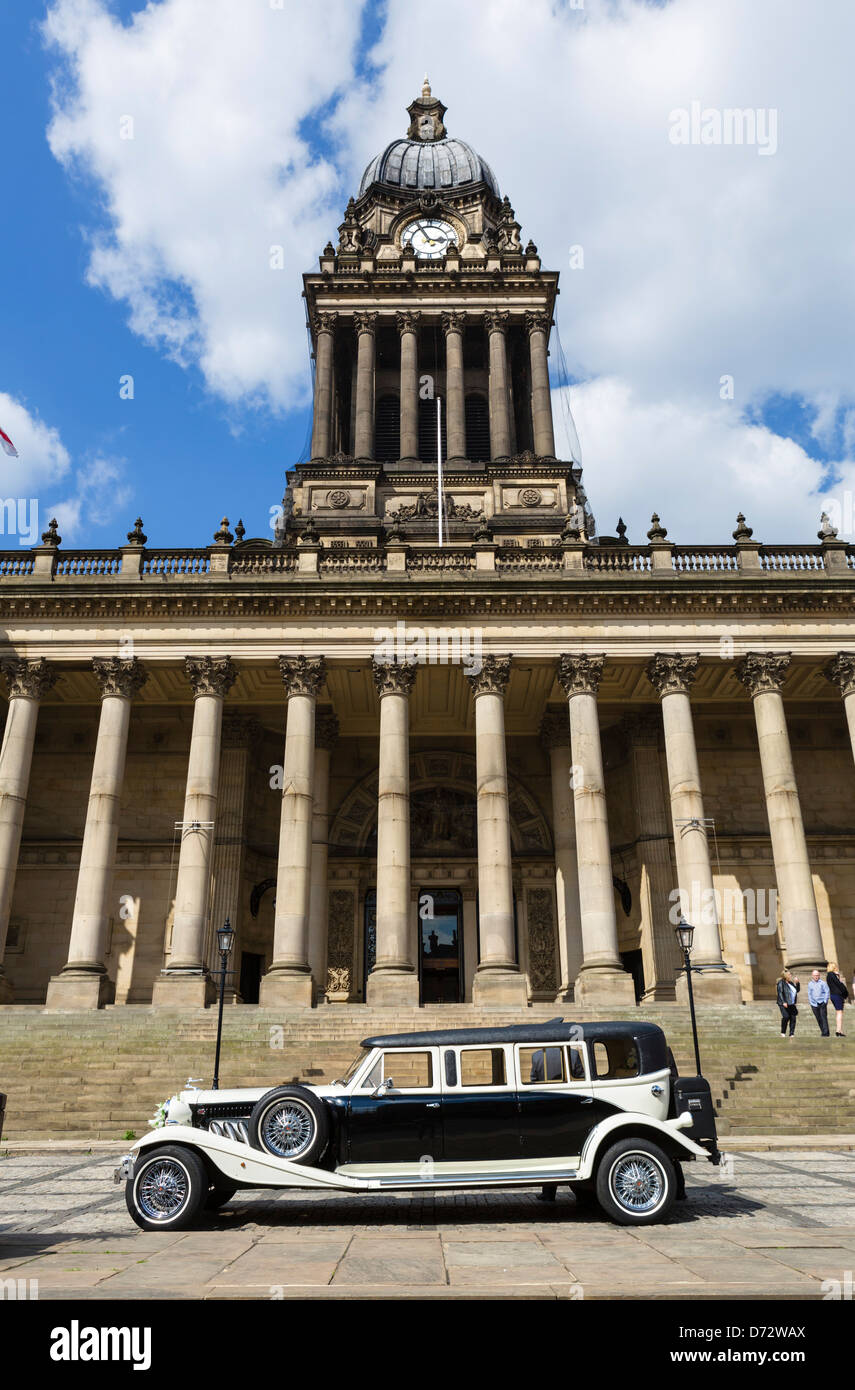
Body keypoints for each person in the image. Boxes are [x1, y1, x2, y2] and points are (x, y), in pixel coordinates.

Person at [826, 962, 848, 1037]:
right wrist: (845, 992)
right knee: (839, 1013)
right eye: (836, 966)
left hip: (833, 995)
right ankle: (838, 1031)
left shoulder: (829, 975)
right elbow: (839, 984)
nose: (837, 968)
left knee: (839, 1012)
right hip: (837, 995)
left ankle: (840, 1030)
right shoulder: (831, 974)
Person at [776, 970, 799, 1037]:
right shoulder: (781, 983)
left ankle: (791, 1033)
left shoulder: (791, 983)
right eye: (789, 974)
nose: (790, 975)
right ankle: (783, 1032)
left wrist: (797, 983)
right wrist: (784, 1002)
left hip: (791, 1003)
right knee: (786, 1017)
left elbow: (797, 990)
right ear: (785, 976)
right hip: (783, 1003)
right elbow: (780, 993)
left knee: (793, 1018)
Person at [807, 969, 830, 1036]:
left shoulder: (823, 983)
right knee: (818, 1018)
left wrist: (825, 1001)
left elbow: (827, 991)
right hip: (814, 1004)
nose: (816, 977)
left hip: (822, 1002)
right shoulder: (810, 984)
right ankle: (823, 1031)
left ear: (819, 976)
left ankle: (826, 1033)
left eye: (817, 975)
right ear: (812, 976)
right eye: (815, 975)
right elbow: (809, 994)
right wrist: (811, 1002)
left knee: (824, 1018)